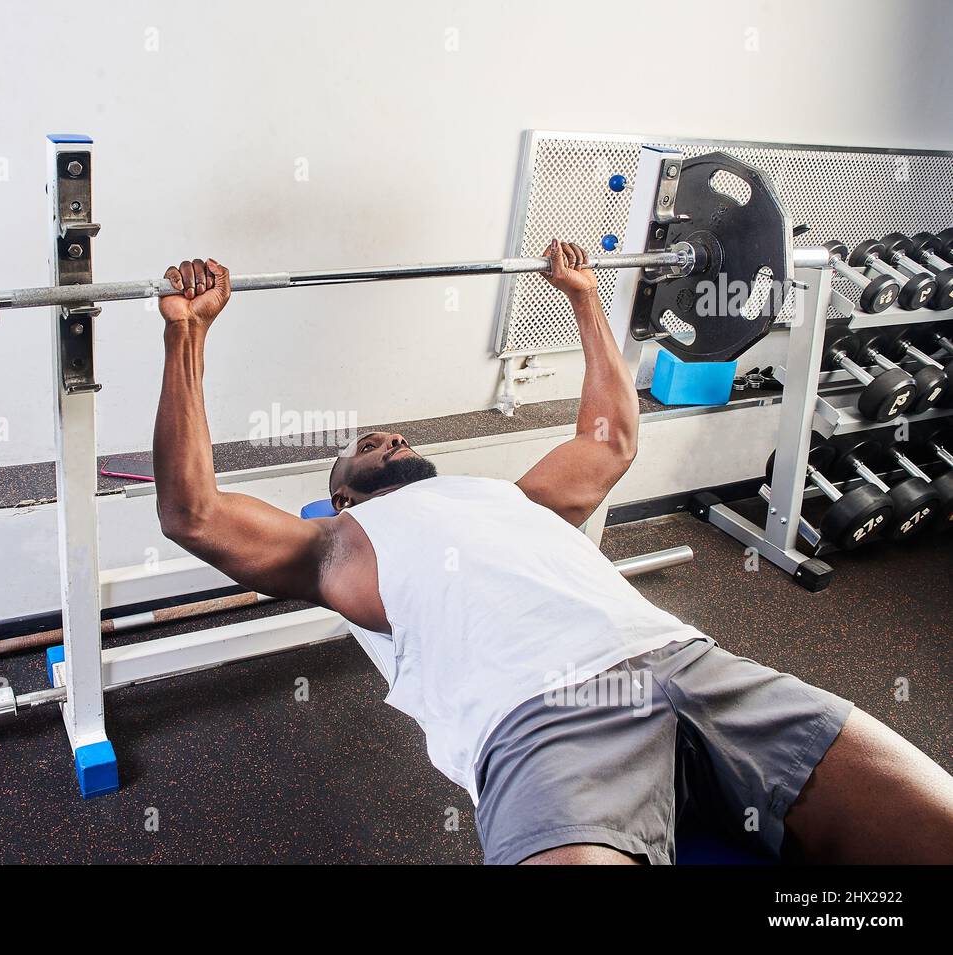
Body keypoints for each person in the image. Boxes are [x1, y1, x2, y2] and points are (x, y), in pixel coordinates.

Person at [151, 242, 953, 864]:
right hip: (542, 717)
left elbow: (611, 438)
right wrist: (187, 336)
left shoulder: (513, 497)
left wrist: (585, 299)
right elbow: (196, 513)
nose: (392, 437)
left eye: (397, 434)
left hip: (689, 664)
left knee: (934, 822)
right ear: (344, 494)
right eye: (368, 442)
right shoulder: (334, 545)